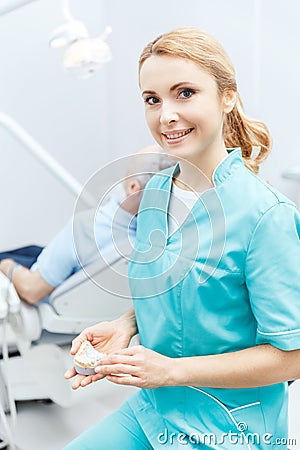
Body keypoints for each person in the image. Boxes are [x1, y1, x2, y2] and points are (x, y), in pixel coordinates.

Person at [64, 27, 300, 450]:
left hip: (230, 427)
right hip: (156, 410)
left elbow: (292, 357)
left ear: (227, 96)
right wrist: (127, 325)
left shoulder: (265, 217)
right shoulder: (155, 193)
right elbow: (181, 290)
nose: (165, 115)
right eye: (152, 99)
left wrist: (172, 370)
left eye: (185, 93)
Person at [0, 145, 173, 304]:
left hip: (47, 286)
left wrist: (6, 265)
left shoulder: (86, 228)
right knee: (34, 249)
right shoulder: (162, 242)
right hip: (83, 275)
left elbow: (32, 289)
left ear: (133, 187)